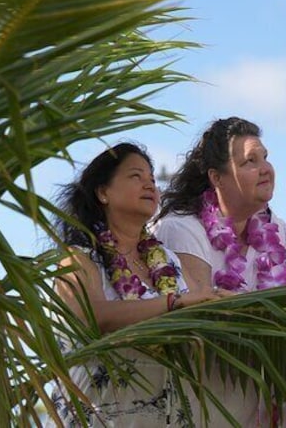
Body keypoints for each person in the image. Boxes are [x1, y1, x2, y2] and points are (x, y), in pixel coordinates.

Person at [48, 142, 220, 427]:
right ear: (103, 192)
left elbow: (198, 310)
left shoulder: (169, 261)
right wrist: (171, 304)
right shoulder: (79, 260)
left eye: (152, 178)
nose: (149, 184)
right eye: (136, 176)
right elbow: (93, 317)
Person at [155, 117, 286, 425]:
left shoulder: (276, 229)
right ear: (216, 177)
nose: (265, 168)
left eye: (265, 158)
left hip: (257, 397)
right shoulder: (182, 228)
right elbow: (205, 314)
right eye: (250, 162)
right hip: (202, 398)